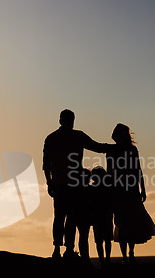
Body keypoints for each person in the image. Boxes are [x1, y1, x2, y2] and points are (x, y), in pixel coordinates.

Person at [43, 109, 109, 259]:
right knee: (70, 218)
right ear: (72, 121)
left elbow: (46, 164)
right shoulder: (77, 136)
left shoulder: (52, 138)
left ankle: (58, 249)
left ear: (60, 120)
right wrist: (114, 147)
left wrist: (49, 182)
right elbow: (97, 147)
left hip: (60, 183)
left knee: (60, 217)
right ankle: (67, 249)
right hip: (73, 185)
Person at [106, 124, 155, 264]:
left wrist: (143, 189)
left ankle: (128, 254)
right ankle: (128, 255)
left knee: (126, 222)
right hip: (124, 190)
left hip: (125, 190)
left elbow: (136, 170)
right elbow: (136, 170)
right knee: (125, 222)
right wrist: (143, 189)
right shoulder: (128, 149)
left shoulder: (123, 150)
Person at [90, 166, 113, 267]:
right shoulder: (108, 187)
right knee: (104, 240)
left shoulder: (92, 188)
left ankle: (104, 261)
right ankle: (105, 261)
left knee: (101, 241)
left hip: (99, 216)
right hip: (103, 215)